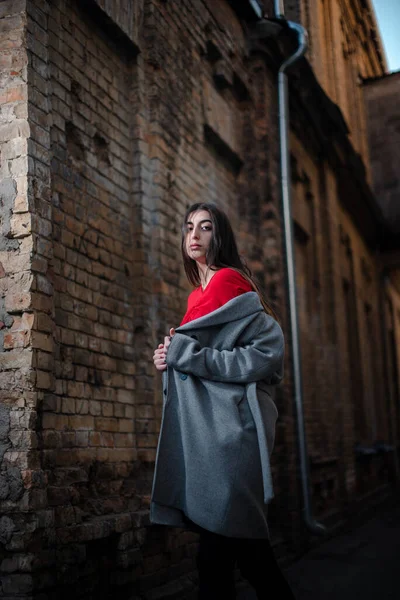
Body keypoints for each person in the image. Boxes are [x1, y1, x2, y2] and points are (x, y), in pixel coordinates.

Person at [151, 203, 296, 599]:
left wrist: (187, 355)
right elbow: (198, 356)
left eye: (206, 227)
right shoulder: (195, 295)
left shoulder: (229, 282)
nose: (194, 234)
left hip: (231, 434)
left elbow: (266, 351)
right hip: (206, 435)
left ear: (220, 237)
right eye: (189, 227)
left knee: (227, 555)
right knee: (237, 555)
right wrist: (167, 357)